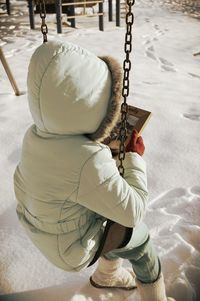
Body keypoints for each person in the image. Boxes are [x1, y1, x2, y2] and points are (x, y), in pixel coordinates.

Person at [14, 40, 175, 301]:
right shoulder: (87, 160)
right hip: (72, 249)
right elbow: (133, 212)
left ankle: (106, 276)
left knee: (106, 208)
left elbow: (62, 173)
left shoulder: (35, 135)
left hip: (45, 231)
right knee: (141, 243)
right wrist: (132, 157)